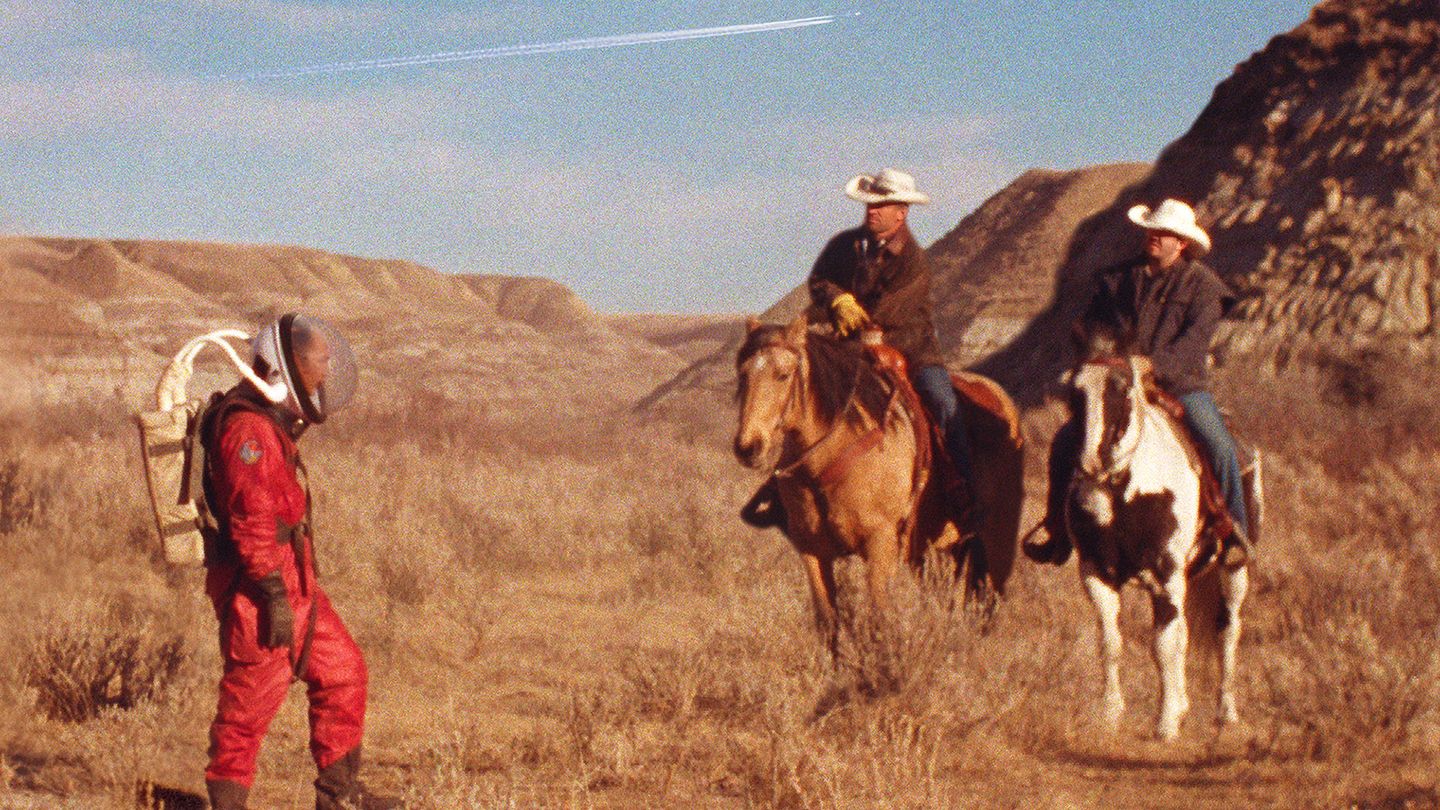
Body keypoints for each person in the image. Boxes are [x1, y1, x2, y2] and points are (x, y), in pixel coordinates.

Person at [200, 313, 396, 810]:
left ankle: (340, 797)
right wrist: (271, 594)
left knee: (343, 671)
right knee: (249, 702)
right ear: (287, 371)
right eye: (318, 366)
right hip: (261, 587)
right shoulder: (249, 432)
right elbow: (251, 524)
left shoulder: (268, 423)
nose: (325, 375)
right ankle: (226, 804)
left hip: (294, 578)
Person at [1026, 199, 1251, 566]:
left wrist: (1150, 364)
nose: (1154, 237)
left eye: (1164, 233)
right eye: (1152, 230)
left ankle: (1232, 534)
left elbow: (1192, 346)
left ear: (1181, 243)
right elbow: (1090, 324)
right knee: (1067, 440)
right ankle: (1057, 529)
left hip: (1180, 384)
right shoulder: (1118, 279)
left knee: (1220, 444)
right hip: (1120, 383)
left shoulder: (1204, 288)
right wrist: (1097, 348)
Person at [808, 167, 976, 513]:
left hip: (911, 349)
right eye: (870, 203)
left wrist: (851, 320)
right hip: (852, 346)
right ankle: (788, 482)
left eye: (882, 205)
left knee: (943, 401)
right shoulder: (846, 246)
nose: (873, 210)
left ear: (902, 212)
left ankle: (963, 488)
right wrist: (837, 298)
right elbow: (820, 279)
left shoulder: (915, 262)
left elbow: (887, 316)